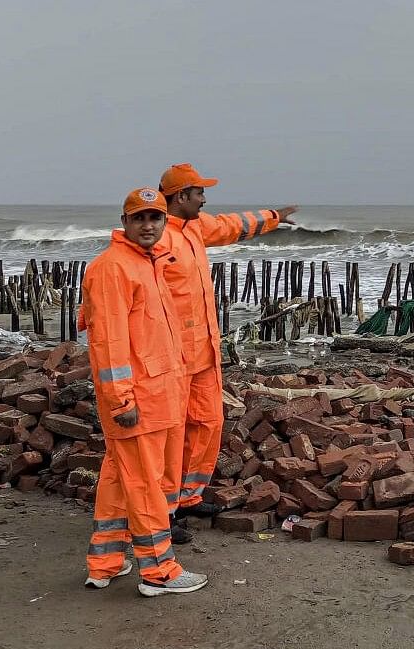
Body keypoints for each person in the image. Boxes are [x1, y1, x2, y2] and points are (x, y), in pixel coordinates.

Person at [157, 163, 297, 542]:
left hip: (203, 352)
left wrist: (272, 217)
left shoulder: (194, 229)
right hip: (170, 356)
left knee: (207, 422)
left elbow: (232, 225)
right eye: (199, 193)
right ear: (181, 196)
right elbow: (126, 288)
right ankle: (162, 513)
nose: (205, 199)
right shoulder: (157, 238)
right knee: (171, 434)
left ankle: (188, 497)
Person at [82, 187, 208, 596]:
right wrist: (122, 400)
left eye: (155, 218)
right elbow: (109, 344)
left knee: (122, 478)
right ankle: (159, 572)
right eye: (140, 218)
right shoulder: (113, 269)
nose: (149, 225)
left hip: (159, 395)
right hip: (138, 401)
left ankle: (105, 563)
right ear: (125, 223)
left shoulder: (149, 264)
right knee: (146, 484)